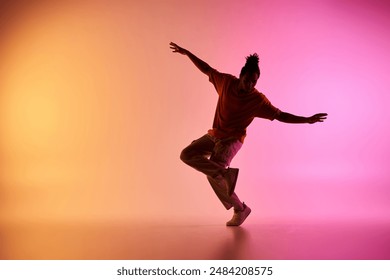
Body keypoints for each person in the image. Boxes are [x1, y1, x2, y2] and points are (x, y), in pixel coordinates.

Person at [170, 42, 327, 226]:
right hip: (215, 135)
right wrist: (188, 53)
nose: (250, 85)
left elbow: (280, 115)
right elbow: (207, 69)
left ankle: (240, 209)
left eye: (254, 82)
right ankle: (225, 177)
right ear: (240, 76)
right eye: (247, 80)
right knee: (186, 154)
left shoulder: (257, 100)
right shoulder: (226, 82)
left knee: (213, 174)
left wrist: (306, 119)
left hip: (232, 140)